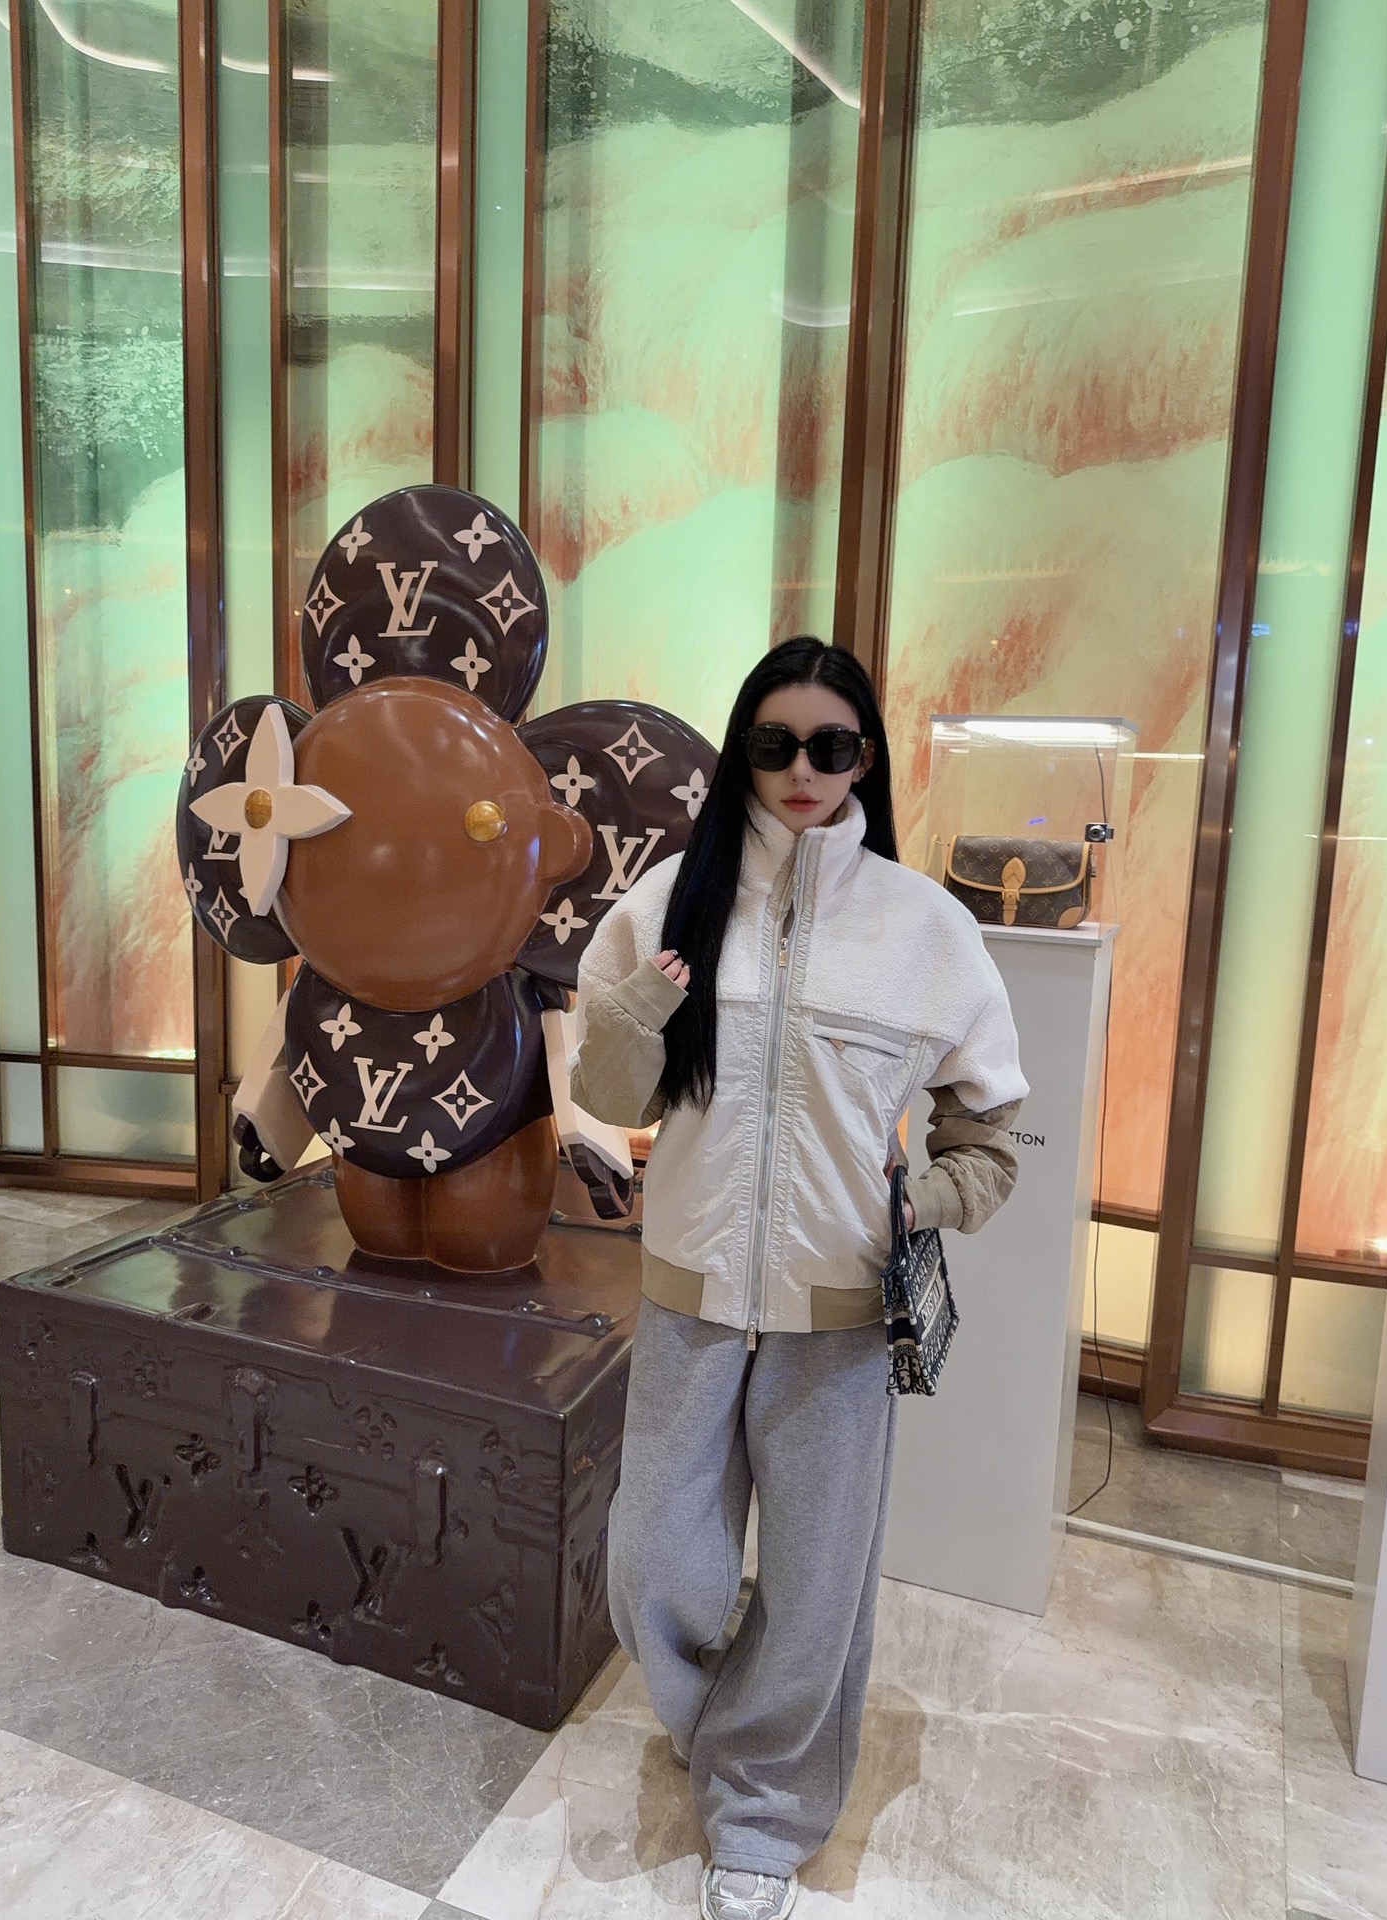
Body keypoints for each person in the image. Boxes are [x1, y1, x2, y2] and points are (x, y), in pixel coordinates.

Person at [569, 637, 1027, 1920]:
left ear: (864, 755)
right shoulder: (670, 901)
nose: (805, 769)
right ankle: (722, 1730)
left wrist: (918, 1201)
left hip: (839, 1314)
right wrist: (635, 1018)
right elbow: (613, 1098)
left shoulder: (925, 928)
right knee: (652, 1561)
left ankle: (763, 1820)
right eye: (776, 743)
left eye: (833, 745)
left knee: (818, 1587)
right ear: (743, 752)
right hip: (690, 1294)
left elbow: (989, 1137)